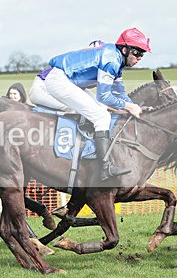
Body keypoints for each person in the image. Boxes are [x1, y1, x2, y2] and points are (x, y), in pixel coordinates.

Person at [30, 28, 151, 181]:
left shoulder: (116, 61)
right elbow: (104, 96)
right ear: (125, 49)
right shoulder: (111, 60)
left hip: (67, 80)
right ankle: (104, 168)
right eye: (137, 53)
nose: (140, 57)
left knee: (100, 111)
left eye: (142, 54)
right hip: (59, 80)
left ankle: (90, 149)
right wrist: (129, 107)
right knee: (101, 116)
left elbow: (120, 93)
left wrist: (136, 108)